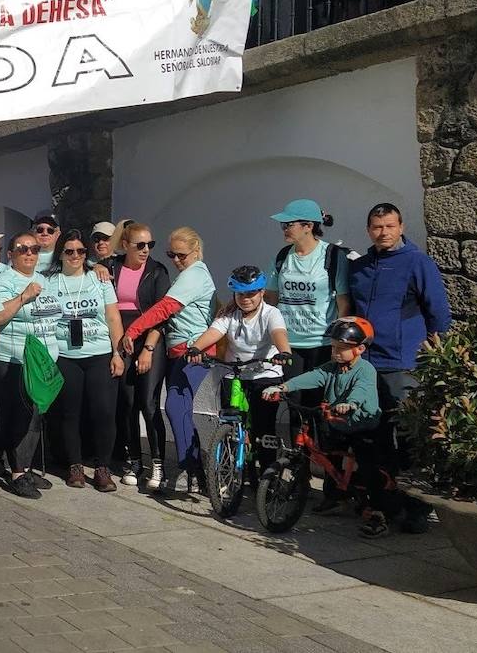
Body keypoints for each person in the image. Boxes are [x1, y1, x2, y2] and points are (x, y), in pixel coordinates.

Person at [349, 203, 449, 531]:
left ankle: (416, 508)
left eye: (390, 226)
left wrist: (435, 357)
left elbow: (438, 312)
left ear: (401, 227)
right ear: (369, 230)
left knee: (408, 438)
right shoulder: (361, 267)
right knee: (371, 435)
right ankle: (381, 503)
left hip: (404, 364)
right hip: (366, 363)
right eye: (378, 227)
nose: (384, 233)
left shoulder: (418, 262)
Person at [261, 317, 401, 538]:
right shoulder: (332, 367)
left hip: (364, 425)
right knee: (327, 454)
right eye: (333, 346)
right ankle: (337, 498)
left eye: (342, 348)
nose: (335, 352)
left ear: (360, 349)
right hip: (340, 424)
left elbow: (362, 390)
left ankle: (378, 515)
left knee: (369, 467)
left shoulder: (365, 370)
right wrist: (284, 386)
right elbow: (314, 376)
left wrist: (351, 404)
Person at [122, 227, 216, 493]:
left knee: (175, 407)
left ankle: (190, 468)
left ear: (196, 251)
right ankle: (196, 470)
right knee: (180, 409)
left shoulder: (195, 274)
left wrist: (134, 329)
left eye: (181, 255)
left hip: (194, 352)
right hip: (179, 352)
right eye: (171, 254)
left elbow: (165, 309)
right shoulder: (188, 274)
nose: (176, 260)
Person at [186, 266, 292, 475]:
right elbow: (214, 331)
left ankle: (268, 476)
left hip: (265, 374)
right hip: (234, 373)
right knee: (231, 422)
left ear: (261, 292)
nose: (245, 299)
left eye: (251, 294)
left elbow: (279, 333)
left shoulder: (271, 313)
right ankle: (231, 469)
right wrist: (196, 347)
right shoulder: (230, 315)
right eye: (240, 294)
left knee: (263, 428)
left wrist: (284, 352)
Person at [44, 230, 125, 491]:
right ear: (61, 254)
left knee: (103, 411)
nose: (75, 256)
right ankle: (75, 466)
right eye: (69, 251)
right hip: (66, 356)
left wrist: (117, 353)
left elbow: (113, 318)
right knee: (70, 413)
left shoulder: (99, 279)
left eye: (80, 251)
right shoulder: (51, 282)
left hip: (100, 353)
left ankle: (102, 468)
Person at [0, 229, 60, 498]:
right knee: (21, 415)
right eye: (22, 249)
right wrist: (23, 297)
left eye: (34, 249)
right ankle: (17, 471)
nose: (29, 253)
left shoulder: (45, 280)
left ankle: (26, 466)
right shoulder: (3, 280)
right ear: (11, 254)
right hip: (15, 358)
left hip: (43, 360)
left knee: (36, 415)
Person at [266, 199, 351, 415]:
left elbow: (343, 303)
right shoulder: (283, 256)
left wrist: (339, 343)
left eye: (289, 224)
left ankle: (320, 449)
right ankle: (298, 448)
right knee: (294, 404)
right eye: (283, 225)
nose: (284, 229)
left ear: (308, 226)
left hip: (321, 344)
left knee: (319, 404)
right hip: (289, 344)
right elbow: (270, 299)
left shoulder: (332, 256)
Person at [105, 222, 170, 489]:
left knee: (148, 402)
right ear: (125, 246)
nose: (146, 250)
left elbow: (163, 313)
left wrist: (149, 348)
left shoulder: (157, 271)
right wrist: (98, 267)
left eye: (150, 245)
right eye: (140, 245)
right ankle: (133, 459)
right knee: (127, 402)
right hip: (123, 337)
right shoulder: (112, 266)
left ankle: (158, 464)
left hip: (149, 338)